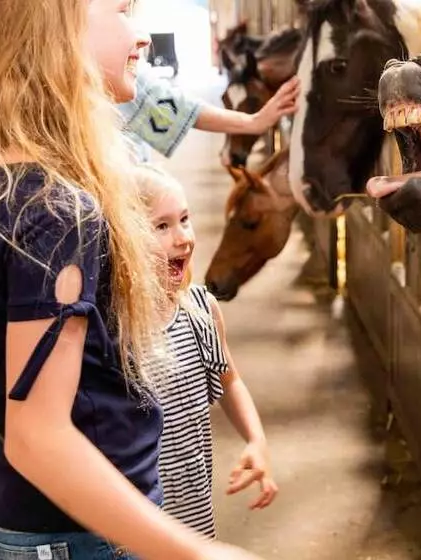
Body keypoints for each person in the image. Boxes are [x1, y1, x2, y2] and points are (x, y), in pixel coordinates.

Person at [0, 1, 261, 558]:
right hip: (80, 537)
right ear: (59, 26)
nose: (141, 35)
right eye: (121, 10)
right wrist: (202, 552)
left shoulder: (15, 185)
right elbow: (36, 437)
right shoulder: (55, 210)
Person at [134, 163, 278, 539]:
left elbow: (230, 383)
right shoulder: (116, 329)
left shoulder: (201, 309)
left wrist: (256, 440)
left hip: (195, 507)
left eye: (184, 219)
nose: (182, 238)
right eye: (161, 226)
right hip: (136, 517)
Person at [118, 62, 299, 163]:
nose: (144, 38)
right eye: (121, 11)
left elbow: (177, 105)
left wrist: (254, 122)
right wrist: (253, 122)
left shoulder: (128, 72)